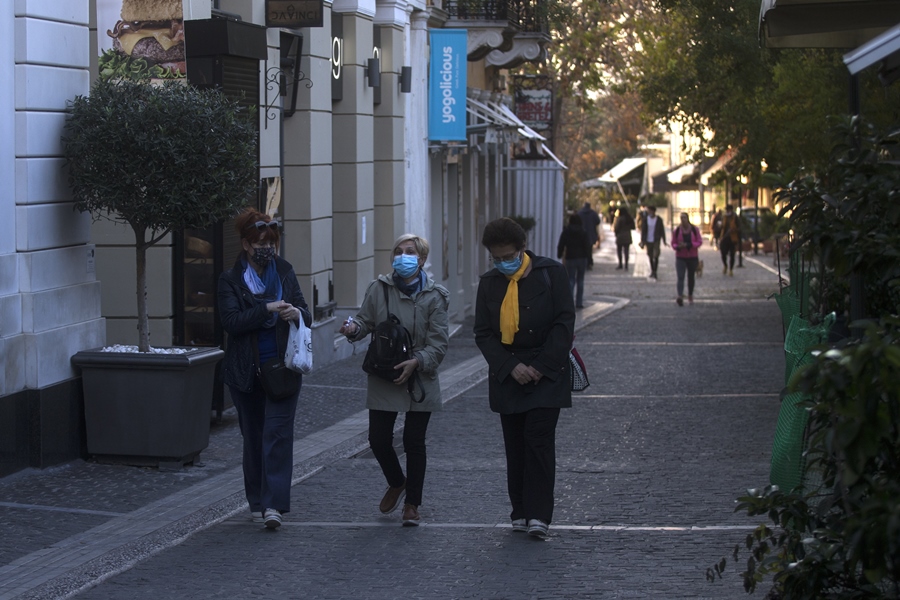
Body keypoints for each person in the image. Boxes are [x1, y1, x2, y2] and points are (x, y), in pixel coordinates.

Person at [474, 218, 575, 539]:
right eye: (496, 257)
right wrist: (509, 366)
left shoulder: (552, 274)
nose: (503, 263)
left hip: (547, 373)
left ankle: (539, 516)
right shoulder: (489, 282)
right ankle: (519, 511)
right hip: (508, 375)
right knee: (515, 445)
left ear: (522, 248)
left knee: (539, 442)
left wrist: (542, 365)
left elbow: (564, 323)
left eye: (508, 256)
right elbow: (484, 332)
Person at [339, 234, 449, 527]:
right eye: (398, 252)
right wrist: (353, 328)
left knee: (414, 442)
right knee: (378, 440)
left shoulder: (435, 296)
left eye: (409, 252)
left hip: (420, 377)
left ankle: (412, 504)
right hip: (385, 373)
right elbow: (365, 321)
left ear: (422, 259)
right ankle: (397, 481)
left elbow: (439, 343)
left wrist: (418, 362)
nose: (402, 257)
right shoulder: (379, 289)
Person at [217, 208, 312, 530]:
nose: (267, 249)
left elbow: (306, 313)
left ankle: (274, 506)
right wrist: (265, 309)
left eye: (271, 243)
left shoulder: (284, 271)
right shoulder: (230, 280)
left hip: (284, 368)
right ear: (246, 245)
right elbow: (230, 322)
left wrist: (296, 314)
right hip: (246, 372)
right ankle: (257, 501)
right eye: (260, 243)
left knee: (277, 435)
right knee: (255, 437)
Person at [556, 213, 591, 309]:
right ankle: (579, 302)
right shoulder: (583, 232)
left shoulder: (566, 232)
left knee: (570, 280)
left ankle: (569, 301)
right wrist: (590, 259)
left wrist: (559, 254)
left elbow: (561, 244)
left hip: (570, 257)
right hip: (582, 258)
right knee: (580, 280)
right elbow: (587, 246)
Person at [672, 212, 703, 306]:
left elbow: (699, 241)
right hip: (680, 256)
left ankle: (690, 295)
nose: (683, 219)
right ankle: (680, 296)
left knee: (691, 277)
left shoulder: (694, 229)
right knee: (680, 277)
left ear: (688, 218)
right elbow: (673, 243)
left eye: (684, 217)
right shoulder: (677, 230)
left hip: (692, 256)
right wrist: (678, 246)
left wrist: (690, 245)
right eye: (681, 218)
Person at [639, 205, 667, 279]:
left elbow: (662, 230)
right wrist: (642, 240)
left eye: (650, 211)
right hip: (648, 240)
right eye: (648, 211)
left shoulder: (658, 220)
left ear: (654, 211)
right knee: (650, 255)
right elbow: (643, 231)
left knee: (656, 255)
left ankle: (655, 271)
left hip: (656, 240)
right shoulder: (645, 219)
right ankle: (652, 271)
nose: (649, 212)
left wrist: (664, 240)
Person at [717, 204, 741, 276]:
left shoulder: (735, 217)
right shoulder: (724, 217)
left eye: (728, 210)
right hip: (724, 238)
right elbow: (721, 227)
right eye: (726, 210)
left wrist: (734, 230)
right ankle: (725, 265)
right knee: (723, 253)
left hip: (733, 239)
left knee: (732, 255)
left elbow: (740, 228)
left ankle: (730, 269)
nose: (727, 211)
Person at [577, 201, 601, 269]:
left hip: (581, 234)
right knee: (589, 249)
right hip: (591, 233)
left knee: (581, 249)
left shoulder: (580, 213)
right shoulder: (593, 213)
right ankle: (589, 263)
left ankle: (583, 262)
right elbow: (598, 221)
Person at [612, 206, 636, 270]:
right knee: (626, 251)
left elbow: (616, 227)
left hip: (620, 236)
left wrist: (616, 233)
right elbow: (633, 227)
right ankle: (626, 265)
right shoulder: (629, 218)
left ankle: (620, 264)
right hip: (627, 235)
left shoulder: (620, 218)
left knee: (619, 250)